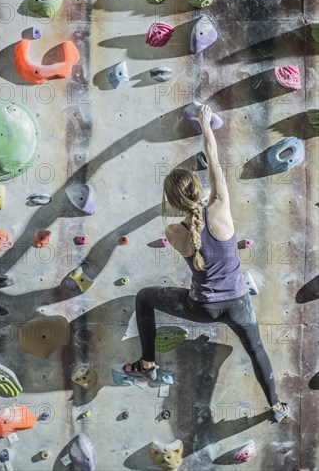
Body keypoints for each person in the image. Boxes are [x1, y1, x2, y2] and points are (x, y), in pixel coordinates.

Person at [123, 104, 290, 423]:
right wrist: (205, 125)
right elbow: (214, 160)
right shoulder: (221, 207)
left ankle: (147, 364)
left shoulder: (173, 232)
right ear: (199, 190)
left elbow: (187, 225)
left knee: (144, 297)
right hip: (238, 304)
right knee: (256, 349)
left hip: (203, 308)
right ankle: (277, 405)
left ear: (173, 203)